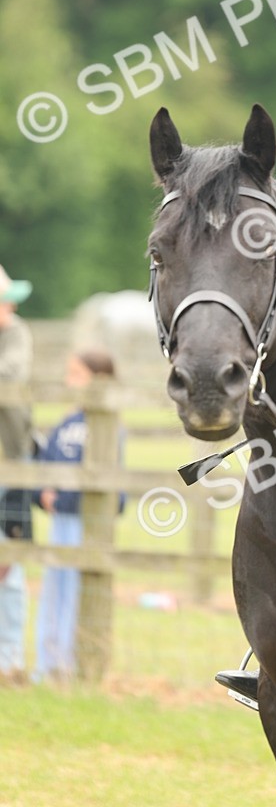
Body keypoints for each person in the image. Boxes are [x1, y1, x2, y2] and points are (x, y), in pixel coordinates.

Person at [34, 348, 118, 681]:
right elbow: (46, 463)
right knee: (54, 590)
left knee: (78, 592)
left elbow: (109, 484)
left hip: (88, 524)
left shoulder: (106, 424)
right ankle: (47, 665)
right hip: (60, 523)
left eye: (77, 375)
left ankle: (72, 664)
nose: (69, 382)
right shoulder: (65, 423)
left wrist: (66, 498)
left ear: (100, 380)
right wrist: (42, 494)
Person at [0, 264, 34, 681]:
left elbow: (9, 374)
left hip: (11, 462)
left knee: (9, 563)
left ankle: (8, 659)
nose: (10, 308)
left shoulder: (17, 335)